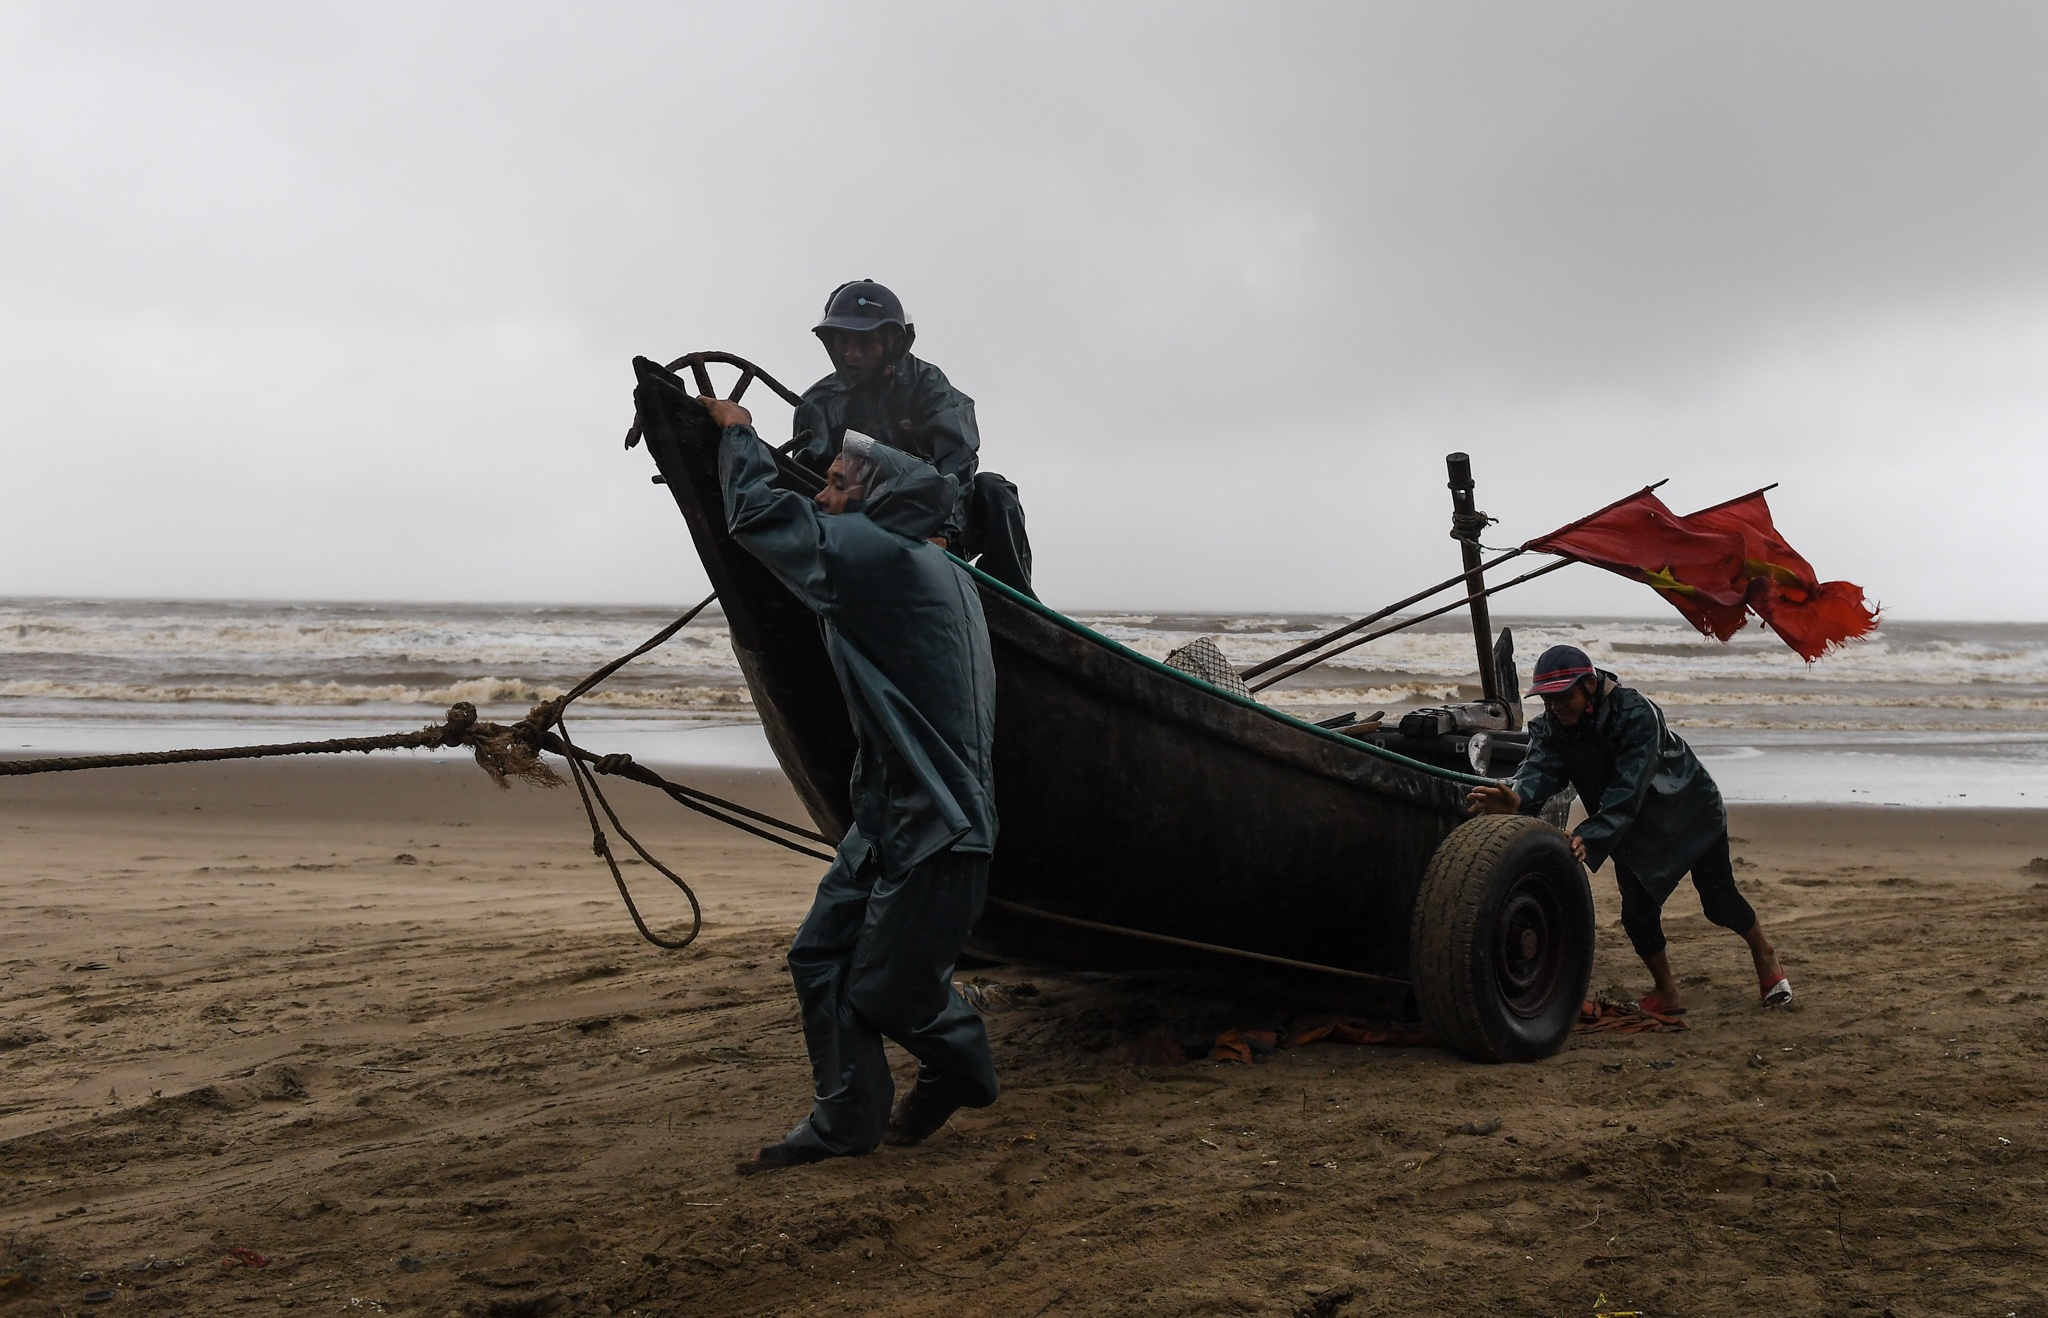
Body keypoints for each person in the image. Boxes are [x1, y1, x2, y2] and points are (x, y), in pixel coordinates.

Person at [704, 393, 1002, 1174]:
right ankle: (846, 1120)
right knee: (818, 958)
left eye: (836, 485)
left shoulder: (877, 556)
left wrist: (739, 435)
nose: (821, 497)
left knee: (888, 994)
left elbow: (757, 516)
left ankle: (964, 1063)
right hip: (886, 815)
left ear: (880, 502)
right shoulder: (936, 567)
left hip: (938, 824)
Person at [1467, 644, 1790, 1015]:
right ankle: (1667, 991)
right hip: (1631, 827)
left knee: (1720, 903)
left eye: (1564, 697)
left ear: (1589, 685)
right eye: (1548, 699)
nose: (1555, 707)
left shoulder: (1637, 714)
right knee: (1637, 915)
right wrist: (1518, 795)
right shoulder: (1551, 726)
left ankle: (1765, 953)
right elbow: (1540, 768)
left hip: (1689, 812)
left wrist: (1591, 834)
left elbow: (1628, 786)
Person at [789, 279, 1038, 599]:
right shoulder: (817, 403)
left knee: (996, 490)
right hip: (857, 527)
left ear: (892, 342)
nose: (851, 354)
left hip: (935, 520)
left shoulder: (928, 386)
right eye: (843, 341)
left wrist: (944, 532)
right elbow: (808, 482)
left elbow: (956, 460)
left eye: (865, 343)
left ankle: (1014, 604)